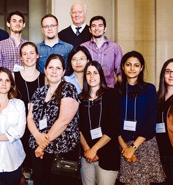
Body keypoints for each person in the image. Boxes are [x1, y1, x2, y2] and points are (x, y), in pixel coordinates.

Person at [27, 54, 80, 185]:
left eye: (58, 68)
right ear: (45, 70)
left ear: (63, 71)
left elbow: (63, 121)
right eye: (50, 67)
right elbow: (29, 117)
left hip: (60, 152)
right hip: (38, 152)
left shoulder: (68, 89)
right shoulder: (39, 91)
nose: (54, 71)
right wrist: (37, 136)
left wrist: (42, 144)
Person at [115, 51, 166, 184]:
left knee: (144, 181)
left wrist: (133, 148)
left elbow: (150, 121)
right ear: (122, 66)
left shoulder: (149, 89)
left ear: (142, 67)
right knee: (127, 182)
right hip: (122, 145)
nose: (132, 68)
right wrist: (125, 148)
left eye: (136, 65)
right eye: (128, 65)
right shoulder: (116, 90)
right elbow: (112, 121)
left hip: (145, 144)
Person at [78, 61, 120, 185]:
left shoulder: (112, 95)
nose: (92, 76)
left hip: (108, 153)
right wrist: (87, 150)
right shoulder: (80, 98)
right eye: (88, 73)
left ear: (100, 75)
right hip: (87, 156)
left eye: (95, 73)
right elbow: (77, 127)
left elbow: (113, 127)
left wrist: (94, 149)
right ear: (85, 76)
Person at [13, 42, 45, 170]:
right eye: (24, 54)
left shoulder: (45, 78)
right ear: (21, 57)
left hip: (40, 129)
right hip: (20, 128)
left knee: (39, 169)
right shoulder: (13, 77)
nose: (28, 57)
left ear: (37, 55)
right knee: (21, 169)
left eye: (32, 53)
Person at [81, 16, 122, 88]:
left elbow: (120, 72)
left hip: (109, 88)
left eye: (100, 26)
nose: (97, 28)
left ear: (105, 29)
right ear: (90, 30)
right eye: (94, 26)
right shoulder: (83, 47)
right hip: (88, 90)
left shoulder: (115, 47)